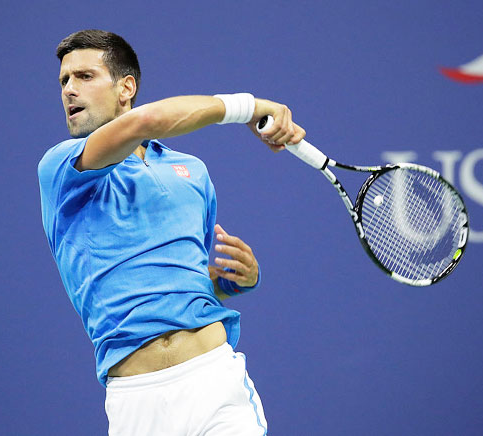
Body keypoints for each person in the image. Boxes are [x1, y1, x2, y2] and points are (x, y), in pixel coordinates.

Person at [37, 29, 305, 435]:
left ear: (126, 86)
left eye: (85, 77)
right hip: (135, 399)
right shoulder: (60, 166)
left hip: (213, 379)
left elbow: (191, 281)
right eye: (64, 81)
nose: (70, 90)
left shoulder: (193, 172)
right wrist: (250, 107)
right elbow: (144, 122)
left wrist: (234, 282)